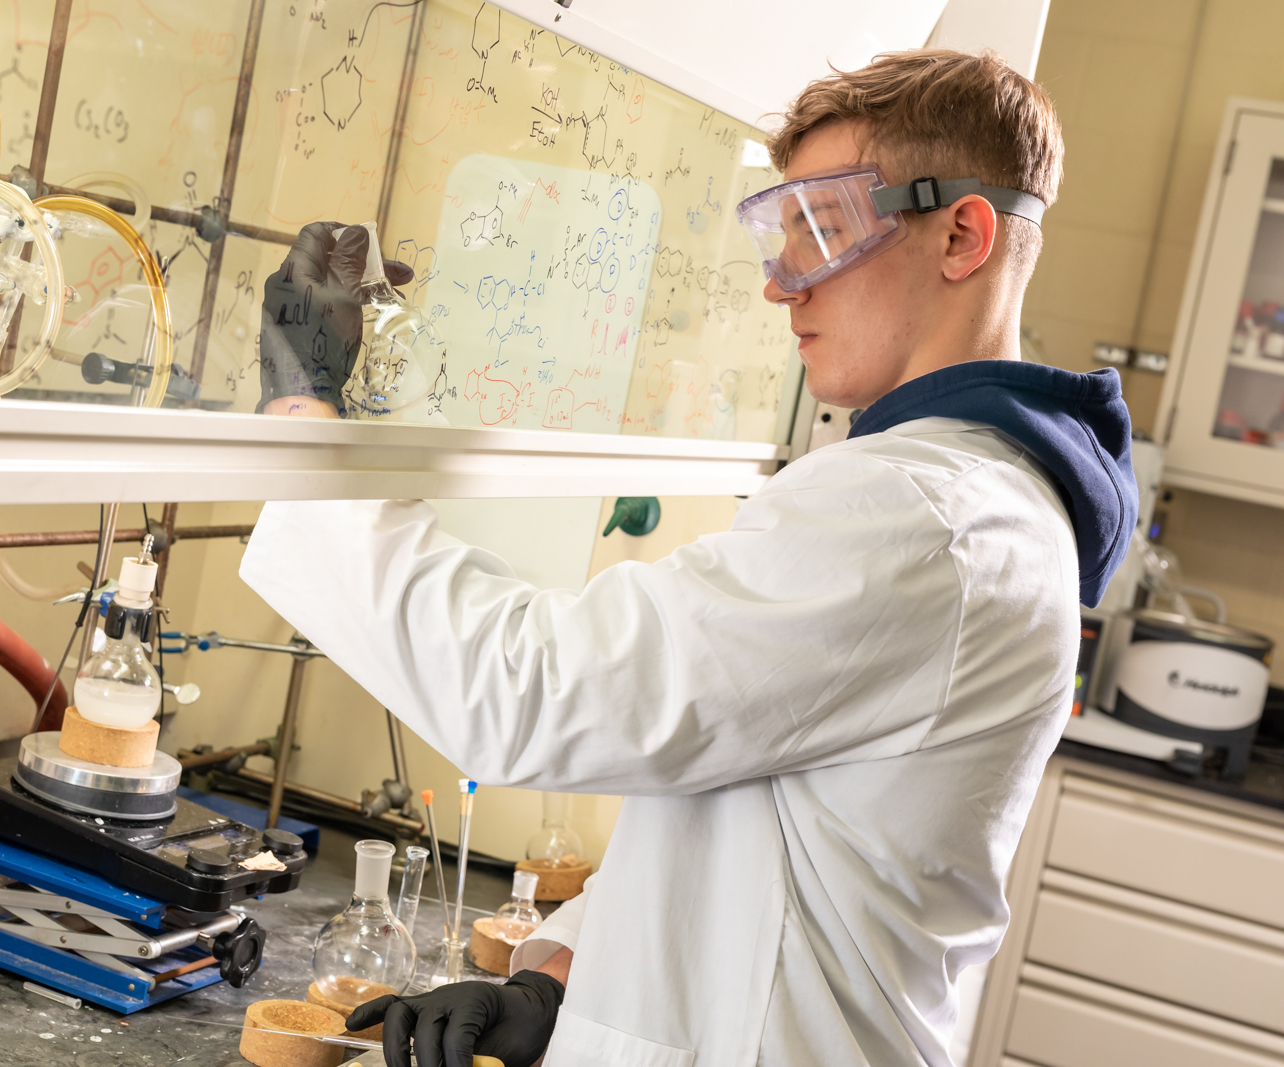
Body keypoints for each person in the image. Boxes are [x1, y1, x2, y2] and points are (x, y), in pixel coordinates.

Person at [240, 49, 1136, 1067]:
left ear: (962, 234)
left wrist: (300, 418)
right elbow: (759, 822)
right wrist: (556, 977)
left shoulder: (923, 514)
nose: (777, 284)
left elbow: (536, 694)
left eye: (824, 233)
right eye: (778, 237)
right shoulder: (966, 497)